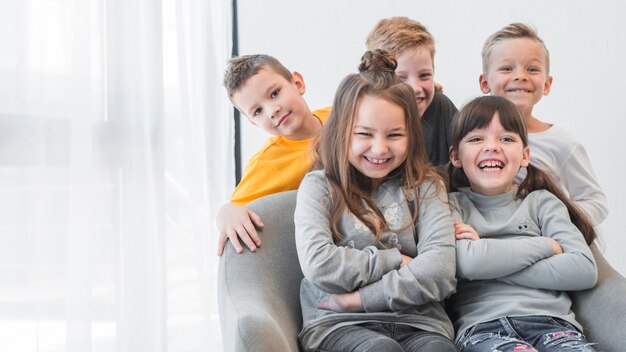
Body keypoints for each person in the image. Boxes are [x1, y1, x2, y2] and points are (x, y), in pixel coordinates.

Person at [295, 50, 457, 352]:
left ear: (412, 135)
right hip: (338, 324)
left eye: (395, 135)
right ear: (342, 132)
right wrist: (394, 259)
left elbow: (440, 271)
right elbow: (320, 266)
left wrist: (360, 298)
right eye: (364, 134)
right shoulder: (318, 187)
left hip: (420, 322)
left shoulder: (428, 186)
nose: (380, 148)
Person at [447, 96, 598, 351]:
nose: (492, 147)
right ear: (456, 156)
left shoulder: (542, 203)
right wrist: (546, 246)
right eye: (476, 139)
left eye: (506, 139)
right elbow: (467, 262)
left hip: (555, 326)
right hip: (483, 329)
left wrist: (487, 257)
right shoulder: (451, 205)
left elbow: (583, 270)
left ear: (525, 155)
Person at [479, 22, 608, 225]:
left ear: (547, 84)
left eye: (532, 69)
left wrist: (552, 218)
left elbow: (596, 202)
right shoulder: (469, 135)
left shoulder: (561, 142)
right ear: (484, 83)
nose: (520, 76)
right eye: (506, 68)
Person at [216, 54, 331, 255]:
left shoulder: (338, 114)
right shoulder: (268, 162)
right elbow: (232, 207)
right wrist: (225, 213)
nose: (272, 111)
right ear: (253, 122)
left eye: (275, 93)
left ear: (298, 83)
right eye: (258, 111)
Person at [366, 16, 458, 166]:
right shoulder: (363, 115)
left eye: (424, 75)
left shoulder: (441, 106)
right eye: (401, 78)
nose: (415, 88)